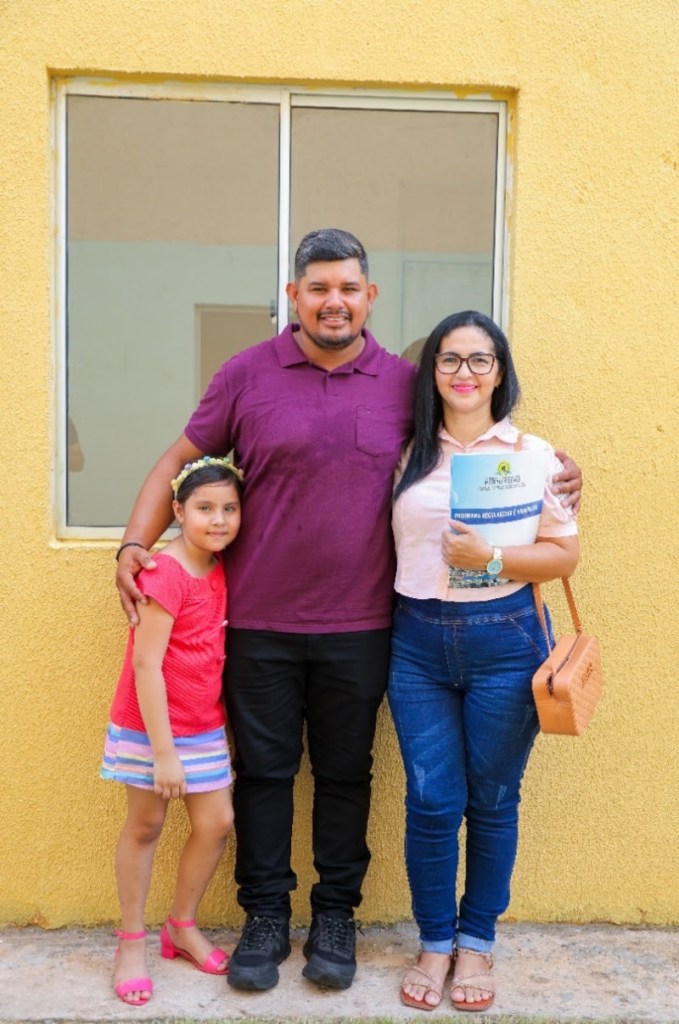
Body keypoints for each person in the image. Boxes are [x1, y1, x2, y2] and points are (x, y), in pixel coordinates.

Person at [114, 229, 583, 993]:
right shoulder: (246, 374)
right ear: (294, 296)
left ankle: (335, 918)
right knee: (264, 774)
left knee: (343, 775)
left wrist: (555, 473)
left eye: (347, 288)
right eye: (318, 288)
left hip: (366, 626)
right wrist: (135, 544)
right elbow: (177, 461)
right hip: (258, 622)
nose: (333, 301)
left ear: (370, 297)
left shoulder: (403, 384)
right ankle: (266, 915)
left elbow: (473, 447)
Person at [388, 311, 580, 1013]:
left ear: (499, 372)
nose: (463, 373)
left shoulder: (534, 455)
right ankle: (435, 942)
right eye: (449, 359)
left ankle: (476, 942)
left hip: (506, 639)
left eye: (479, 359)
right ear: (431, 371)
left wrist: (491, 557)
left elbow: (563, 555)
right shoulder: (404, 453)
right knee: (431, 800)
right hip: (415, 641)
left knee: (493, 799)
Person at [102, 457, 243, 1007]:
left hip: (203, 725)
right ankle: (131, 942)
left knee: (217, 822)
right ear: (179, 511)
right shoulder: (165, 572)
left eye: (229, 508)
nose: (218, 520)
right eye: (205, 508)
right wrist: (164, 754)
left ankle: (181, 925)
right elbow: (146, 665)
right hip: (151, 727)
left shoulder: (222, 566)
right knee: (146, 825)